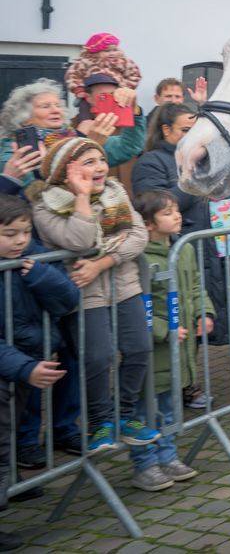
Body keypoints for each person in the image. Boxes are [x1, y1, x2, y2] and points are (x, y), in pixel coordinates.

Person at [27, 137, 161, 455]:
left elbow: (138, 236)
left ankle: (124, 416)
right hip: (84, 293)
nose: (100, 167)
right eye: (88, 162)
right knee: (97, 358)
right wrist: (83, 198)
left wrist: (102, 262)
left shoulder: (116, 192)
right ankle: (99, 423)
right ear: (64, 171)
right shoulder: (45, 205)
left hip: (125, 284)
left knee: (140, 348)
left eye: (100, 159)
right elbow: (81, 241)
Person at [0, 195, 78, 550]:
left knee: (10, 432)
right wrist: (24, 367)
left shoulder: (36, 256)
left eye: (25, 232)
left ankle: (10, 485)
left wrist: (42, 276)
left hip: (26, 363)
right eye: (9, 234)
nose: (20, 240)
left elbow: (69, 298)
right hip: (16, 364)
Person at [132, 191, 212, 490]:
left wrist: (204, 311)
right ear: (148, 224)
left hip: (180, 346)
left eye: (176, 210)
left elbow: (195, 285)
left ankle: (167, 456)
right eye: (167, 213)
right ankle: (145, 463)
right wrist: (163, 329)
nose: (177, 216)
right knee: (146, 408)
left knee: (169, 405)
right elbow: (135, 304)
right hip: (154, 348)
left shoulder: (183, 248)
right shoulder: (139, 258)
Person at [132, 103, 229, 347]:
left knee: (199, 318)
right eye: (186, 130)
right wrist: (194, 177)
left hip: (204, 248)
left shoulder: (202, 159)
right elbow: (155, 206)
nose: (192, 136)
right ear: (166, 129)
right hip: (173, 251)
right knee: (178, 327)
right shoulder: (150, 162)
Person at [0, 80, 147, 188]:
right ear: (25, 118)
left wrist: (134, 111)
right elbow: (35, 192)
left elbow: (130, 146)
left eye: (58, 105)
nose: (56, 110)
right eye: (45, 106)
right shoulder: (16, 150)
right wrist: (88, 144)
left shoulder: (73, 136)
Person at [63, 33, 142, 103]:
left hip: (117, 94)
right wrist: (79, 89)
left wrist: (126, 88)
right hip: (90, 95)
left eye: (114, 50)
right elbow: (73, 75)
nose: (112, 54)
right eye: (107, 51)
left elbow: (134, 74)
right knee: (85, 107)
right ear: (96, 52)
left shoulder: (122, 61)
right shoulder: (86, 62)